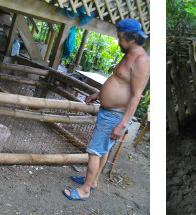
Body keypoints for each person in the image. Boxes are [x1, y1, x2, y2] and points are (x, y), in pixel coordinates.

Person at [63, 18, 150, 201]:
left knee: (94, 151)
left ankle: (85, 189)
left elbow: (136, 96)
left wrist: (122, 124)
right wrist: (98, 94)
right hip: (109, 111)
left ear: (132, 37)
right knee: (103, 150)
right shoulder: (129, 55)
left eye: (120, 38)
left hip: (115, 115)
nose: (118, 41)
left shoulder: (141, 61)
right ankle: (92, 181)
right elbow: (118, 81)